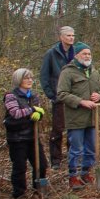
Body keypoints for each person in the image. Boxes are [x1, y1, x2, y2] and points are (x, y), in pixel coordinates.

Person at [56, 43, 100, 189]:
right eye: (84, 54)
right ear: (76, 55)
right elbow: (61, 94)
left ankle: (86, 173)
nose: (87, 56)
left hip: (92, 118)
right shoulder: (68, 72)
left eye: (89, 54)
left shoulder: (94, 72)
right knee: (76, 148)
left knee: (90, 148)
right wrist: (81, 102)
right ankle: (73, 176)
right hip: (76, 118)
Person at [3, 68, 48, 198]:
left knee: (41, 164)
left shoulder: (33, 95)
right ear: (19, 80)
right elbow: (15, 113)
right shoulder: (10, 96)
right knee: (20, 166)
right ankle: (19, 192)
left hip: (32, 136)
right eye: (26, 78)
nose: (29, 80)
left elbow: (39, 112)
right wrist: (32, 109)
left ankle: (38, 189)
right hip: (17, 137)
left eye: (31, 78)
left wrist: (39, 114)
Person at [40, 26, 76, 170]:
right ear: (61, 37)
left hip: (75, 98)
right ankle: (55, 160)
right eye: (68, 35)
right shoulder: (52, 54)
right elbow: (44, 76)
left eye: (73, 35)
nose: (71, 38)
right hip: (59, 98)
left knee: (73, 129)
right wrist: (52, 95)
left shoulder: (77, 52)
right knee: (57, 129)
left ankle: (72, 157)